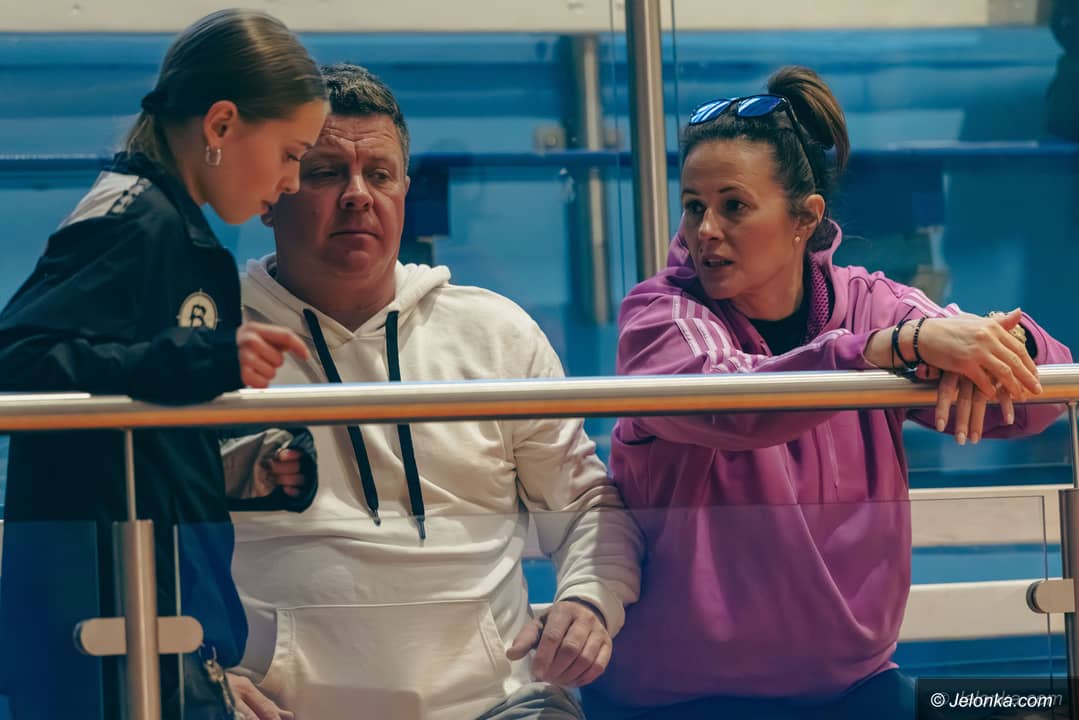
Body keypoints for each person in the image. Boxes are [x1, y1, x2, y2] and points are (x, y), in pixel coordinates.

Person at [579, 66, 1073, 720]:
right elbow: (728, 404)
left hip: (850, 690)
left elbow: (1042, 393)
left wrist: (996, 348)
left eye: (733, 206)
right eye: (694, 206)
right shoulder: (658, 316)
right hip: (676, 700)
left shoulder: (871, 303)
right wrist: (877, 351)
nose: (705, 230)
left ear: (803, 218)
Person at [218, 63, 643, 720]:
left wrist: (588, 601)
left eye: (379, 174)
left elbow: (586, 505)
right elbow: (142, 540)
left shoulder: (495, 334)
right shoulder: (209, 348)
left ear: (404, 191)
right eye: (326, 172)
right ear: (273, 192)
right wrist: (196, 669)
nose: (357, 195)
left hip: (499, 705)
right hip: (278, 708)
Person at [0, 10, 326, 719]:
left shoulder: (179, 229)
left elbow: (130, 405)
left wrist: (237, 464)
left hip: (159, 609)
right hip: (99, 623)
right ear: (221, 126)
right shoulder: (130, 219)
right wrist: (200, 359)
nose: (292, 181)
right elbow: (17, 361)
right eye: (290, 153)